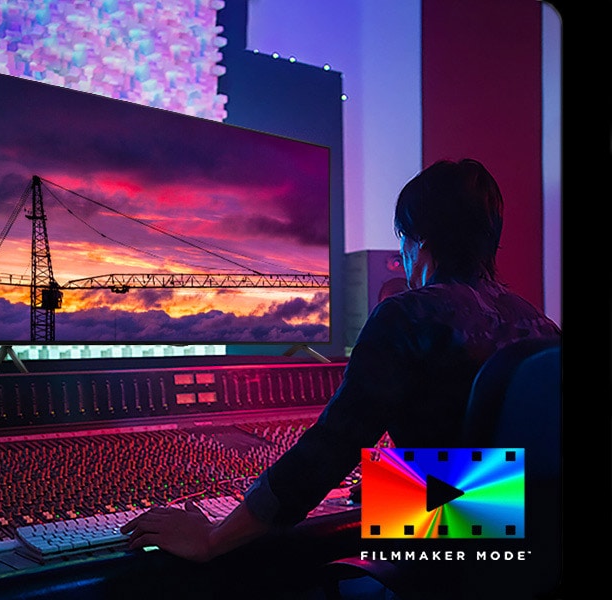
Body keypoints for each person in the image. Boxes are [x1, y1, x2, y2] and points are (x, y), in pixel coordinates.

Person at [120, 158, 561, 566]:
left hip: (446, 566)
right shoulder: (542, 326)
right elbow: (503, 478)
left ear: (418, 242)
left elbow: (330, 449)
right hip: (531, 556)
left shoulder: (407, 316)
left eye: (401, 241)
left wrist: (215, 536)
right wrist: (404, 485)